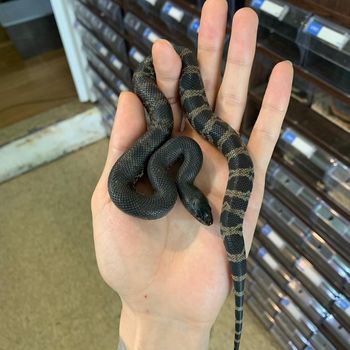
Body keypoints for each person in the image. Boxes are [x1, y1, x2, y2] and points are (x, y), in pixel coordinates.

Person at [91, 1, 293, 349]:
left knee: (227, 151)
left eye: (201, 214)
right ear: (186, 193)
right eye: (203, 213)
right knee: (170, 115)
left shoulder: (171, 173)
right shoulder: (166, 186)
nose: (206, 217)